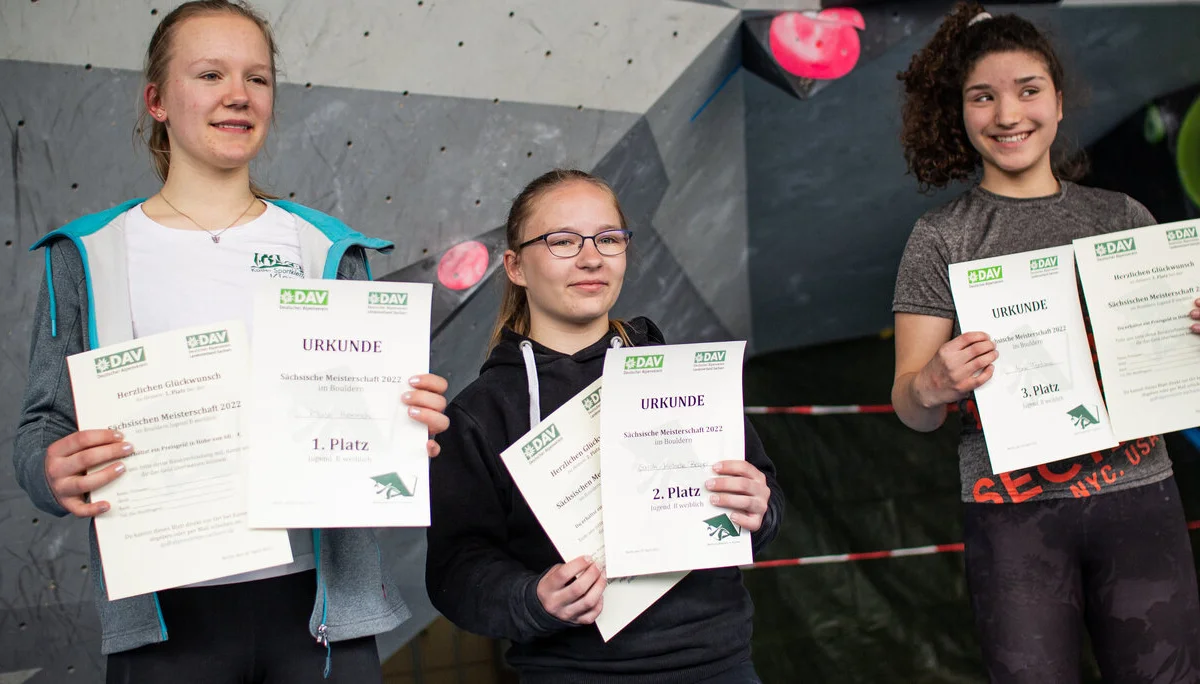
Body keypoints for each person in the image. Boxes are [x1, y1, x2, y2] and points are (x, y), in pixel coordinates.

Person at [12, 2, 449, 682]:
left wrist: (401, 424)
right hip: (162, 615)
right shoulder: (86, 254)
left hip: (317, 613)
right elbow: (42, 424)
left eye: (258, 78)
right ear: (157, 99)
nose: (238, 96)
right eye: (210, 74)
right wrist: (49, 469)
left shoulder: (329, 249)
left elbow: (368, 415)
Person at [890, 3, 1200, 682]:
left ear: (1058, 102)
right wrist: (933, 384)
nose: (1008, 115)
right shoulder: (941, 238)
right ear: (961, 113)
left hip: (1141, 498)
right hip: (1012, 518)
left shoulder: (1122, 217)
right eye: (984, 97)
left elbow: (1178, 367)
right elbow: (910, 408)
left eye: (1028, 90)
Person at [424, 169, 784, 683]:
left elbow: (765, 502)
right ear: (516, 266)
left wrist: (759, 507)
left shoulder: (686, 379)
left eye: (608, 239)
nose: (591, 257)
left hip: (720, 667)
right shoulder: (481, 414)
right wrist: (534, 598)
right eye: (562, 241)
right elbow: (455, 571)